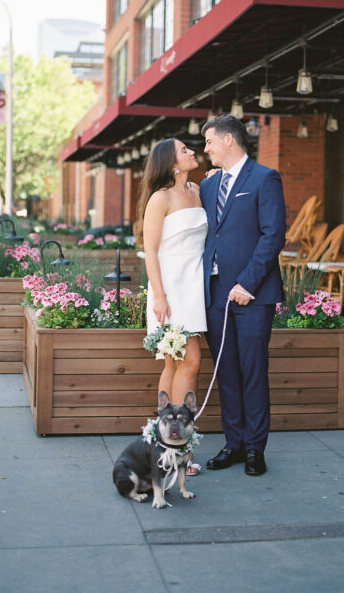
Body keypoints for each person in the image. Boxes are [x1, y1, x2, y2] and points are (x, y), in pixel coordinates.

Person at [200, 115, 286, 477]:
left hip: (253, 294)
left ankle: (255, 449)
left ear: (229, 140)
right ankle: (233, 443)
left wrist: (247, 283)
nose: (205, 149)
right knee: (227, 372)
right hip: (215, 293)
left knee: (253, 371)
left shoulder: (265, 178)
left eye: (208, 142)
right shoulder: (207, 186)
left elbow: (273, 235)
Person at [138, 138, 207, 475]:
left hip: (195, 283)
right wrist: (160, 295)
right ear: (171, 162)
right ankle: (179, 450)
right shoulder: (160, 198)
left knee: (174, 363)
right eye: (184, 150)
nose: (192, 151)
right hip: (171, 287)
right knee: (189, 360)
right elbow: (151, 250)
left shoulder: (198, 189)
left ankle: (163, 445)